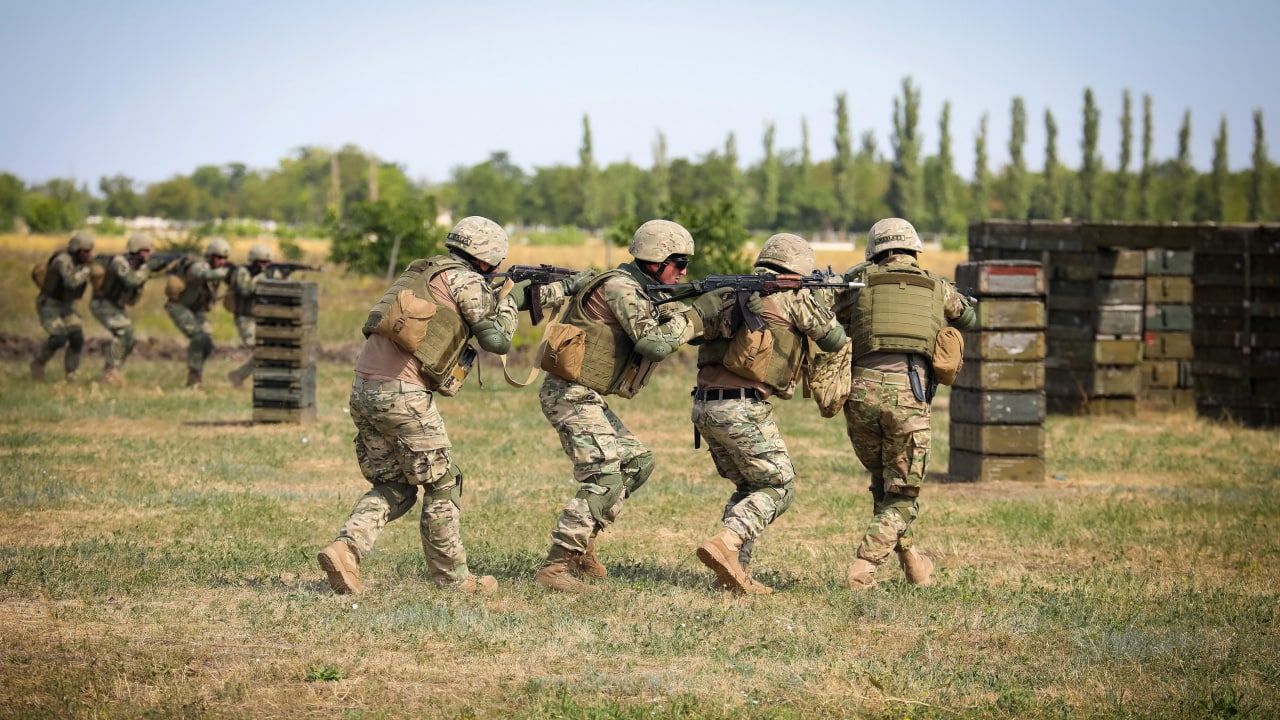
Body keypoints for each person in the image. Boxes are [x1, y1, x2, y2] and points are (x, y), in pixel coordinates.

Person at [317, 216, 595, 595]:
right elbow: (496, 339)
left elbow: (474, 306)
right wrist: (513, 299)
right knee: (444, 485)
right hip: (403, 395)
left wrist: (548, 290)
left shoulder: (425, 271)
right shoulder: (465, 281)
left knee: (395, 484)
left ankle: (345, 549)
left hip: (365, 390)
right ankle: (454, 580)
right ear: (489, 256)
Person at [532, 219, 724, 594]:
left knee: (637, 461)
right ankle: (554, 568)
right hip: (569, 393)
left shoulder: (641, 289)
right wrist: (697, 313)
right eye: (678, 263)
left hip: (586, 395)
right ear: (654, 260)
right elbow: (653, 344)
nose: (684, 271)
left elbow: (674, 328)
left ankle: (583, 544)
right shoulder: (621, 288)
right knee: (604, 474)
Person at [691, 233, 847, 594]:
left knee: (751, 486)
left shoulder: (731, 291)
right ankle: (727, 543)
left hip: (704, 405)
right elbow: (834, 339)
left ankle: (732, 575)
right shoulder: (792, 296)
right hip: (741, 406)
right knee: (779, 485)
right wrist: (820, 298)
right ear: (798, 271)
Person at [838, 218, 975, 589]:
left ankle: (914, 564)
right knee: (903, 494)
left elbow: (834, 309)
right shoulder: (937, 286)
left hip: (859, 393)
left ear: (875, 251)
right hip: (908, 394)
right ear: (914, 249)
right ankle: (863, 567)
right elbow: (969, 315)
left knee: (886, 483)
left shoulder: (857, 282)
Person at [91, 233, 164, 385]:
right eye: (146, 252)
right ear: (136, 250)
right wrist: (148, 268)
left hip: (114, 305)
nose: (149, 255)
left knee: (129, 339)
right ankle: (110, 372)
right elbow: (131, 281)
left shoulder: (135, 264)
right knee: (124, 333)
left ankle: (114, 370)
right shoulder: (120, 262)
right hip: (102, 303)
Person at [166, 237, 231, 388]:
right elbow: (204, 274)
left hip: (197, 310)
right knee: (198, 337)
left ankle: (196, 375)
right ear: (210, 256)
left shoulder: (217, 271)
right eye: (219, 258)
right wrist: (226, 272)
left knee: (207, 342)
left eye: (225, 259)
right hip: (179, 307)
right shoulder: (199, 265)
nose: (222, 262)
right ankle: (193, 378)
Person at [31, 231, 96, 382]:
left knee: (77, 337)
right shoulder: (62, 260)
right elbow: (71, 282)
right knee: (59, 337)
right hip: (49, 305)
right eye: (84, 252)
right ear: (76, 250)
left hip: (66, 306)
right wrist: (87, 269)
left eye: (89, 252)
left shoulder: (82, 261)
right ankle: (38, 363)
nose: (88, 255)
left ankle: (71, 373)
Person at [225, 243, 281, 387]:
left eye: (268, 263)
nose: (265, 266)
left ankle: (238, 375)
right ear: (253, 261)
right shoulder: (242, 272)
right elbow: (246, 290)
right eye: (262, 262)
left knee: (266, 350)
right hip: (244, 318)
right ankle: (239, 376)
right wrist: (263, 277)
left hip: (260, 318)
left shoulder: (264, 274)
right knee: (260, 349)